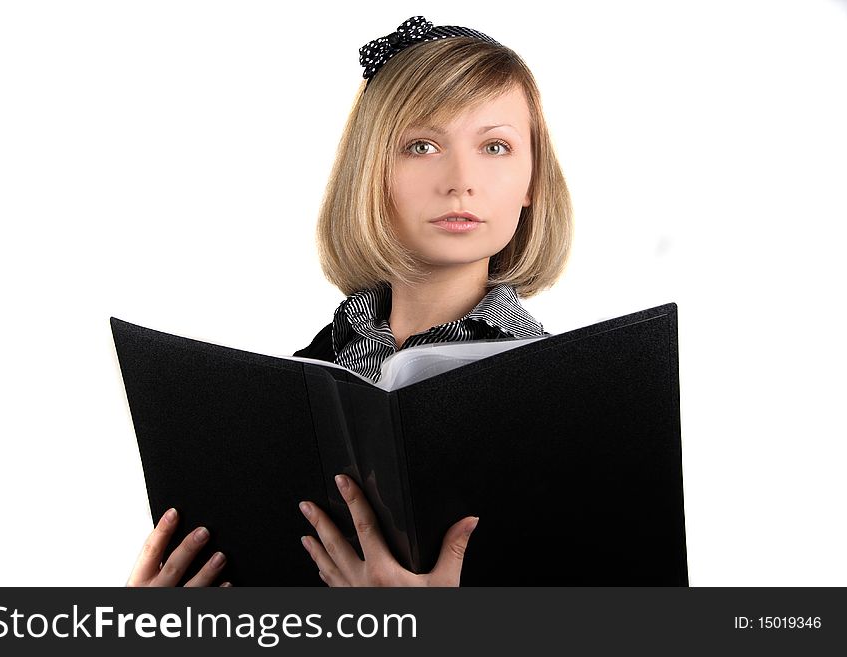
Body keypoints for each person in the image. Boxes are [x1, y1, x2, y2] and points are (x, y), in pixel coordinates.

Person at [127, 16, 572, 588]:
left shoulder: (569, 395)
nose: (461, 179)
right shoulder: (292, 386)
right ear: (371, 172)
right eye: (421, 145)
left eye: (495, 146)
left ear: (532, 179)